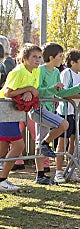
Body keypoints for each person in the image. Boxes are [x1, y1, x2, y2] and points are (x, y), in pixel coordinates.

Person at [30, 43, 80, 184]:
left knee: (40, 141)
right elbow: (38, 90)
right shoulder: (41, 70)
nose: (62, 59)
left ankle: (40, 175)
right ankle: (45, 144)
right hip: (38, 108)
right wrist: (52, 89)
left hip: (47, 109)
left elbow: (62, 93)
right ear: (52, 57)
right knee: (63, 124)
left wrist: (78, 88)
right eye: (60, 56)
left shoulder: (56, 72)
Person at [0, 43, 41, 191]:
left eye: (39, 57)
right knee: (19, 145)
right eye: (34, 57)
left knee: (2, 149)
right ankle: (2, 180)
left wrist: (29, 91)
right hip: (4, 111)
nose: (38, 60)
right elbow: (7, 93)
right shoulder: (17, 72)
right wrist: (28, 89)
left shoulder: (36, 71)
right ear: (24, 59)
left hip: (14, 114)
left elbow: (34, 91)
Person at [55, 49, 80, 183]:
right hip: (65, 113)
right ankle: (58, 171)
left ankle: (71, 169)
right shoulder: (66, 73)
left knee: (73, 142)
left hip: (76, 113)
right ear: (72, 62)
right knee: (63, 142)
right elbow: (63, 93)